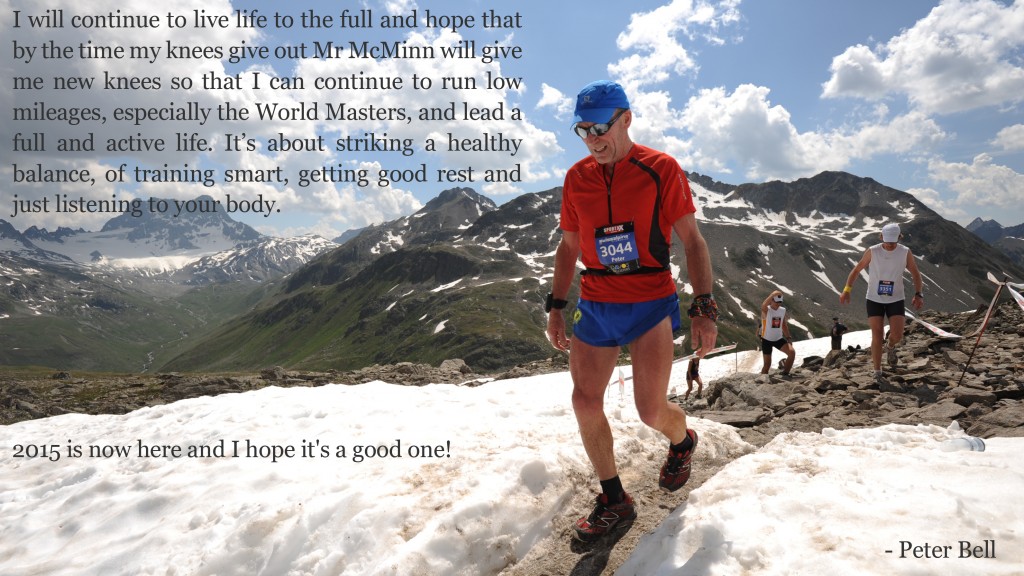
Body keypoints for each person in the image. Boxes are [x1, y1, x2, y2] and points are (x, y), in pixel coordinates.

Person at [545, 80, 718, 542]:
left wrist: (704, 305)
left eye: (600, 127)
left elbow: (693, 241)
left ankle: (682, 441)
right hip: (598, 301)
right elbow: (568, 247)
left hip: (649, 303)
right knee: (584, 401)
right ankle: (614, 500)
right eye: (581, 130)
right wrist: (556, 306)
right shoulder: (576, 177)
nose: (592, 139)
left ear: (626, 119)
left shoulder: (661, 168)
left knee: (648, 410)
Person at [839, 222, 923, 382]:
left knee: (897, 335)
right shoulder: (873, 251)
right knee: (877, 334)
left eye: (893, 241)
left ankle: (890, 347)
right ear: (881, 237)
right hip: (874, 298)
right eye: (887, 241)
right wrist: (847, 290)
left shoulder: (905, 252)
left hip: (896, 298)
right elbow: (856, 270)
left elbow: (915, 273)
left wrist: (918, 294)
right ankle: (877, 371)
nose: (890, 245)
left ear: (900, 237)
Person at [758, 290, 795, 379]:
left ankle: (785, 374)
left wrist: (788, 337)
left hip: (778, 338)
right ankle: (761, 380)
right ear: (771, 300)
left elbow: (783, 324)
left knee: (792, 353)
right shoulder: (767, 310)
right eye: (776, 302)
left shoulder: (782, 310)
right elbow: (763, 306)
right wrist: (772, 294)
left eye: (780, 302)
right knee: (767, 365)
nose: (778, 304)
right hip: (766, 340)